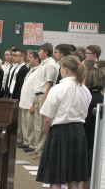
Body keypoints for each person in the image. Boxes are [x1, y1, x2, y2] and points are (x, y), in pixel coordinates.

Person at [36, 55, 91, 189]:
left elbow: (48, 118)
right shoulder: (85, 90)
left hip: (59, 132)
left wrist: (48, 134)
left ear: (65, 69)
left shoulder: (58, 89)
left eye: (60, 68)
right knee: (74, 178)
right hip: (78, 132)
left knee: (55, 178)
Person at [30, 43, 58, 159]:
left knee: (41, 124)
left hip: (44, 95)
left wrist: (45, 99)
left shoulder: (50, 64)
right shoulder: (43, 64)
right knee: (37, 124)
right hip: (38, 95)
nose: (39, 53)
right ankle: (37, 148)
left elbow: (49, 83)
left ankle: (41, 150)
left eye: (41, 51)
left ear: (46, 52)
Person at [82, 68, 105, 189]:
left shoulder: (87, 97)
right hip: (96, 138)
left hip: (87, 138)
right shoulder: (101, 98)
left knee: (88, 173)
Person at [18, 51, 40, 153]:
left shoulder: (39, 71)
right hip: (24, 101)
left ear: (36, 59)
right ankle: (26, 142)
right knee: (24, 124)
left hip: (30, 102)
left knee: (30, 125)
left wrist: (33, 103)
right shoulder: (30, 70)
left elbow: (36, 89)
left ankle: (32, 144)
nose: (28, 59)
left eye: (31, 57)